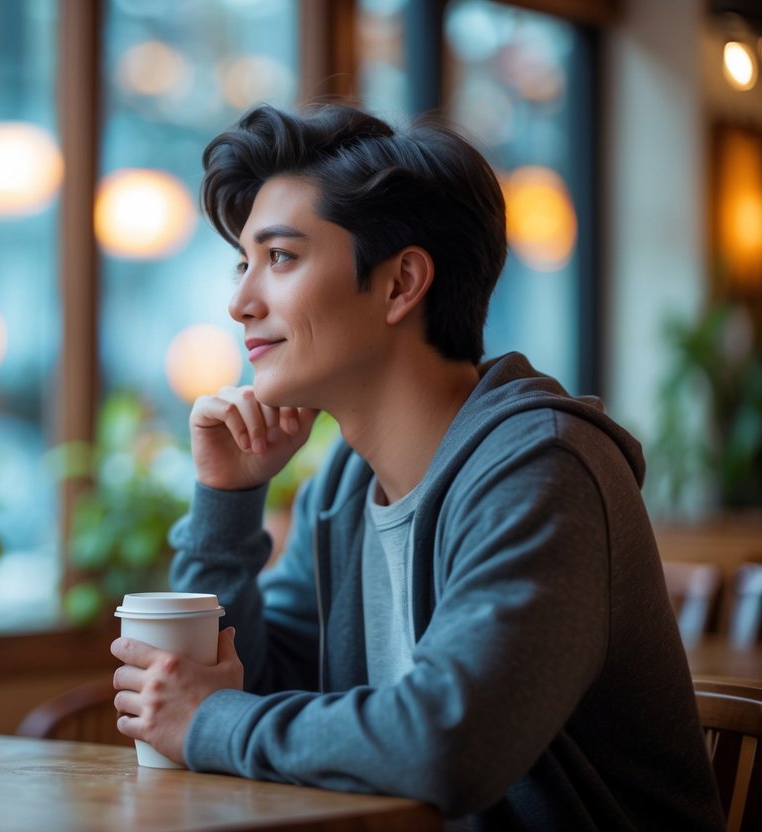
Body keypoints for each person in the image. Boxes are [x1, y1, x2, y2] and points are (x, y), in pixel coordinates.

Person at [110, 102, 724, 831]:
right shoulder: (342, 489)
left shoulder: (543, 469)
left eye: (279, 258)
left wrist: (208, 721)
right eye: (243, 263)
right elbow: (255, 682)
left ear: (401, 284)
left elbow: (448, 744)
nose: (240, 301)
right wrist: (226, 498)